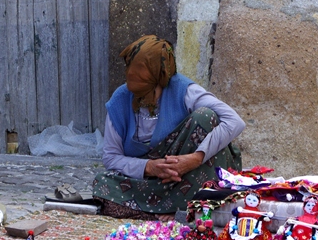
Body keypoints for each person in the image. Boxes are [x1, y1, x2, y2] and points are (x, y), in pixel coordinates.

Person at [92, 35, 245, 220]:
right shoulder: (120, 100)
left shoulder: (184, 90)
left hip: (188, 177)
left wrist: (195, 159)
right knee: (102, 185)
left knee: (206, 117)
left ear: (161, 81)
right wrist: (149, 167)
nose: (141, 99)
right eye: (137, 93)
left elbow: (234, 122)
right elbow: (111, 157)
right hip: (152, 182)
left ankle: (186, 208)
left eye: (148, 92)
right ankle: (171, 213)